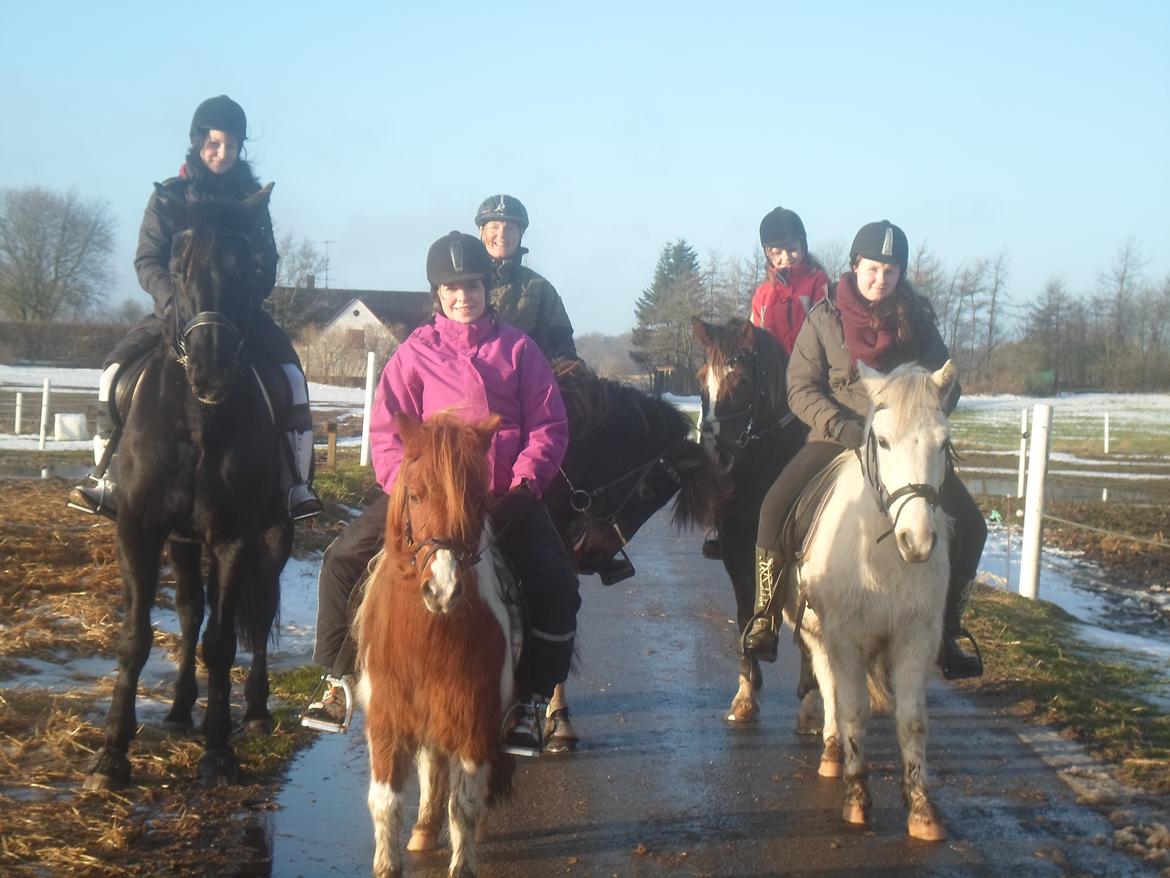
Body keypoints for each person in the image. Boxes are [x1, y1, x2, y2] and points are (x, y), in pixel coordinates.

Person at [302, 231, 581, 756]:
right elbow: (387, 433)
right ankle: (338, 681)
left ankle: (530, 703)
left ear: (486, 288)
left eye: (471, 286)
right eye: (451, 288)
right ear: (437, 294)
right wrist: (406, 488)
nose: (462, 297)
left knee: (558, 585)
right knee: (342, 558)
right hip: (428, 497)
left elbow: (549, 427)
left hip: (504, 495)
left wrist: (524, 486)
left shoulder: (519, 350)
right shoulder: (413, 355)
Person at [742, 220, 985, 680]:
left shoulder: (919, 320)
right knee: (773, 508)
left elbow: (947, 382)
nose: (881, 279)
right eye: (873, 268)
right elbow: (800, 388)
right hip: (838, 438)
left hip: (903, 450)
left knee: (972, 525)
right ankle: (765, 616)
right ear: (855, 267)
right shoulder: (825, 317)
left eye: (891, 272)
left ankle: (948, 629)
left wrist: (927, 413)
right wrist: (843, 426)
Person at [68, 95, 322, 522]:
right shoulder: (170, 195)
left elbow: (266, 263)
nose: (222, 154)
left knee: (293, 379)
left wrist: (237, 303)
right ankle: (106, 478)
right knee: (113, 375)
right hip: (178, 312)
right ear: (197, 142)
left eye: (231, 145)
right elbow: (147, 259)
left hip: (237, 316)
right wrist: (172, 302)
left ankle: (296, 483)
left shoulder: (252, 201)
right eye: (214, 144)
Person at [703, 206, 831, 560]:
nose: (785, 257)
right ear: (767, 255)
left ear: (803, 247)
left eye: (791, 249)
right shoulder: (763, 294)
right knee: (735, 437)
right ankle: (724, 520)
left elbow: (825, 333)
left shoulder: (819, 285)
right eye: (777, 251)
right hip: (773, 382)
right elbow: (754, 338)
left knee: (817, 436)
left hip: (811, 378)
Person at [474, 194, 578, 362]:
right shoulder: (461, 285)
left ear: (521, 234)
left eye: (510, 229)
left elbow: (562, 343)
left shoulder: (540, 288)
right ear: (481, 232)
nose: (502, 235)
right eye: (494, 227)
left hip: (526, 381)